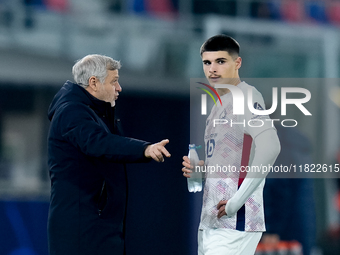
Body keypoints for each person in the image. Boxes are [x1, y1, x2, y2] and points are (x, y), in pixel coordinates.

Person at [47, 54, 171, 255]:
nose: (119, 87)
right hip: (82, 231)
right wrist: (145, 149)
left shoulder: (95, 113)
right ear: (93, 83)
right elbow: (99, 143)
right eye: (114, 81)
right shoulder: (71, 112)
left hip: (97, 226)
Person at [182, 35, 281, 255]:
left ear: (237, 63)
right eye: (207, 63)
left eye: (221, 61)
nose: (213, 69)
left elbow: (270, 147)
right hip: (212, 221)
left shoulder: (245, 96)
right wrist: (201, 169)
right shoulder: (219, 104)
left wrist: (236, 202)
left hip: (236, 220)